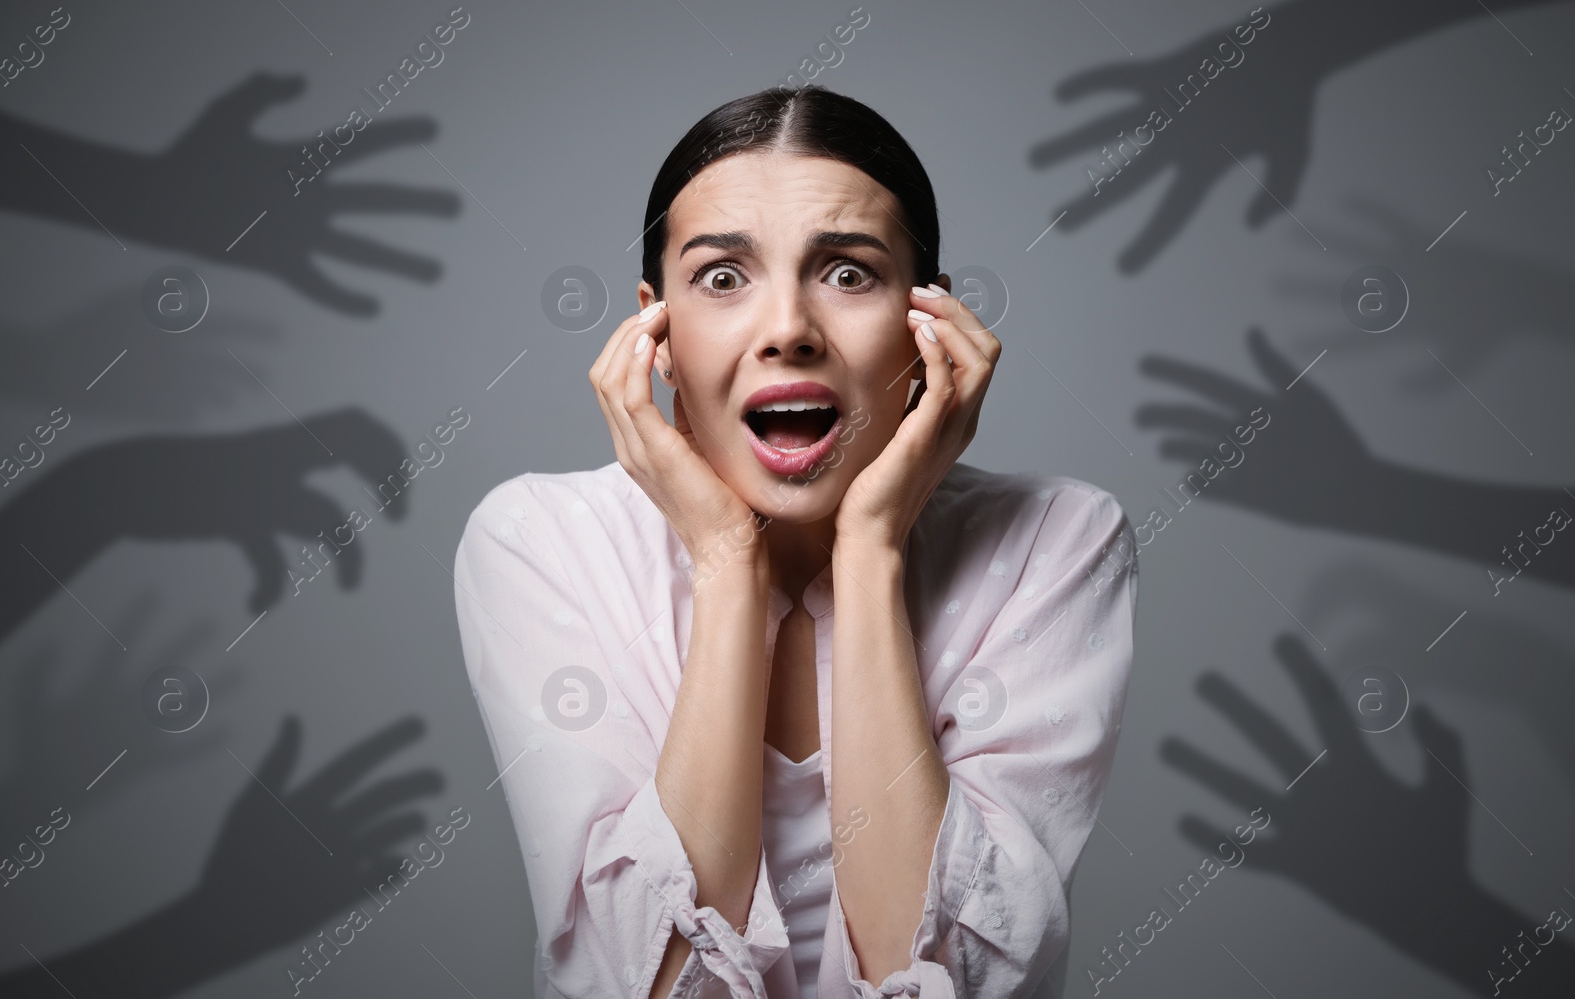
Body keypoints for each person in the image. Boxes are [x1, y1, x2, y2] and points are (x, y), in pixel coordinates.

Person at [452, 85, 1138, 999]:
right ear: (655, 331)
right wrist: (729, 560)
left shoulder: (1056, 539)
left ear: (927, 318)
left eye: (849, 272)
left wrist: (871, 551)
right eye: (724, 278)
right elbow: (639, 986)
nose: (787, 331)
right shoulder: (540, 538)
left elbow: (952, 985)